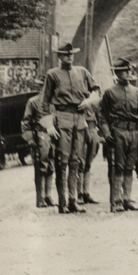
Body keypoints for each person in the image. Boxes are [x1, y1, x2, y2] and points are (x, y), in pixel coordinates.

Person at [40, 42, 98, 214]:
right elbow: (44, 103)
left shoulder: (82, 72)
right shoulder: (52, 75)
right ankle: (62, 202)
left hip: (80, 119)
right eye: (66, 55)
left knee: (76, 161)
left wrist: (90, 100)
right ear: (59, 57)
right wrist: (49, 125)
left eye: (71, 54)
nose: (69, 57)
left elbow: (96, 90)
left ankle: (73, 200)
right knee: (62, 161)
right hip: (62, 118)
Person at [99, 59, 138, 212]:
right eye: (124, 71)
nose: (128, 73)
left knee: (129, 167)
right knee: (117, 167)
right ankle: (116, 201)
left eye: (129, 70)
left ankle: (127, 198)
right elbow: (102, 117)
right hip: (117, 133)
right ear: (117, 73)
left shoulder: (136, 92)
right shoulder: (109, 93)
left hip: (133, 133)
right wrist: (106, 134)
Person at [21, 93, 55, 208]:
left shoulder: (54, 100)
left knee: (51, 166)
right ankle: (40, 199)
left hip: (53, 136)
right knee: (41, 167)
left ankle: (48, 196)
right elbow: (26, 122)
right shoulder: (33, 102)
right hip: (40, 135)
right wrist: (30, 139)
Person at [77, 87, 102, 204]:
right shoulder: (77, 100)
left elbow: (100, 116)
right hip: (81, 129)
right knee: (80, 163)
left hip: (92, 129)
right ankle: (79, 194)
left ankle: (86, 192)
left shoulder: (94, 102)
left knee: (88, 163)